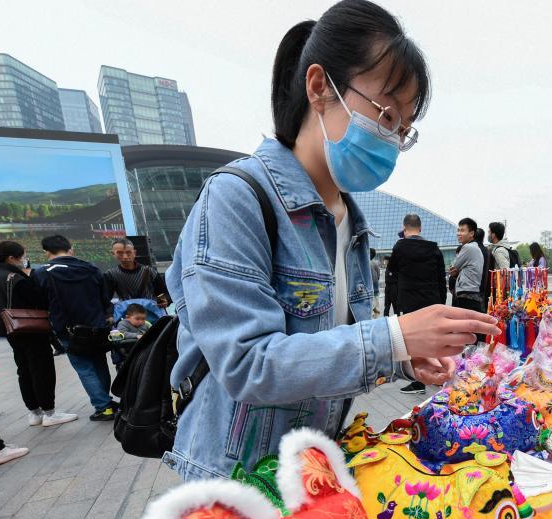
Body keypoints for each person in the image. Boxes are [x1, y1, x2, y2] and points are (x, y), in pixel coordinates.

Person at [163, 1, 498, 482]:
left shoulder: (352, 223)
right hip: (236, 482)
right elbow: (246, 365)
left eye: (404, 130)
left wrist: (406, 359)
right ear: (319, 87)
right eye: (386, 114)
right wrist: (395, 338)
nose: (392, 140)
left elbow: (331, 349)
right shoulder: (237, 198)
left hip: (313, 474)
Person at [0, 241, 77, 428]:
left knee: (24, 370)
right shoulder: (16, 278)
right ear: (11, 258)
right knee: (41, 370)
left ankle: (34, 412)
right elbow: (38, 301)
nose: (24, 259)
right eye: (22, 256)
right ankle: (49, 412)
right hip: (31, 329)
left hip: (10, 330)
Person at [33, 235, 116, 422]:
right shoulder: (90, 268)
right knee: (99, 364)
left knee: (85, 368)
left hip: (68, 330)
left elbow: (40, 301)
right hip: (97, 326)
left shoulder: (43, 273)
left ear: (46, 251)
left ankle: (103, 407)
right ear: (70, 248)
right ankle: (107, 402)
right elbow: (105, 297)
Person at [390, 213, 447, 395]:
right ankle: (441, 375)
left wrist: (394, 304)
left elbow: (393, 277)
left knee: (413, 341)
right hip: (432, 299)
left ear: (404, 228)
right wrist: (442, 303)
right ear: (420, 228)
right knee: (435, 338)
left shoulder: (399, 247)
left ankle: (418, 381)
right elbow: (441, 279)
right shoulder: (434, 249)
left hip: (409, 301)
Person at [103, 237, 169, 318]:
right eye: (120, 253)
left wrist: (163, 301)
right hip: (127, 317)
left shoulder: (150, 272)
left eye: (128, 252)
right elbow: (105, 299)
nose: (125, 257)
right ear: (113, 253)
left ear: (134, 253)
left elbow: (161, 292)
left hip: (152, 315)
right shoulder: (110, 275)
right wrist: (109, 315)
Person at [450, 217, 485, 314]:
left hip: (466, 295)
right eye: (458, 230)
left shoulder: (467, 247)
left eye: (462, 230)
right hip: (473, 294)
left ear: (471, 233)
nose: (458, 233)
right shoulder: (475, 247)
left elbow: (453, 267)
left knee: (463, 327)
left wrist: (457, 270)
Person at [369, 248, 381, 314]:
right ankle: (374, 307)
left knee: (375, 294)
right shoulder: (374, 263)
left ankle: (374, 308)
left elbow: (378, 272)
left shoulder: (374, 263)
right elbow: (378, 273)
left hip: (373, 281)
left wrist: (377, 278)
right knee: (375, 294)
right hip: (374, 281)